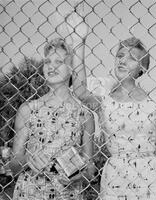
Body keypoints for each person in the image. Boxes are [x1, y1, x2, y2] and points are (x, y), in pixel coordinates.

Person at [73, 37, 156, 200]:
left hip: (150, 179)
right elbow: (80, 91)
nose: (123, 60)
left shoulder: (155, 100)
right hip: (115, 178)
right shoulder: (105, 100)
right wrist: (78, 41)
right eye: (120, 55)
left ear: (142, 69)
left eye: (131, 58)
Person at [10, 30, 95, 199]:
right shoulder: (28, 109)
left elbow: (91, 167)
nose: (51, 66)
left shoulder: (84, 115)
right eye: (47, 61)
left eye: (59, 61)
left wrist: (82, 175)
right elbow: (13, 164)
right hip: (30, 192)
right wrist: (28, 158)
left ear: (72, 69)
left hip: (67, 194)